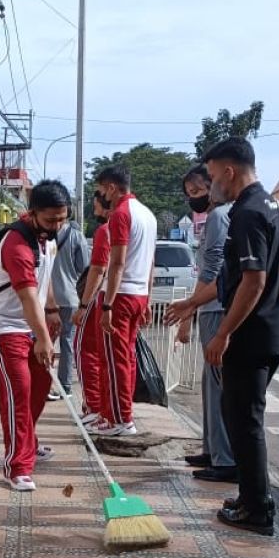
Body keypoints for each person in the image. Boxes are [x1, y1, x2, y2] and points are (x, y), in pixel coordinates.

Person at [201, 136, 279, 536]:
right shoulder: (271, 205)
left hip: (253, 333)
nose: (210, 187)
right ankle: (249, 496)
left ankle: (257, 509)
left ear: (228, 171)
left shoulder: (247, 213)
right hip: (273, 329)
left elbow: (253, 282)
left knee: (243, 420)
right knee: (239, 415)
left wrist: (222, 334)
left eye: (211, 177)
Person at [0, 180, 68, 492]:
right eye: (50, 220)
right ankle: (17, 465)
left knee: (40, 386)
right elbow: (29, 296)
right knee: (18, 390)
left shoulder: (49, 239)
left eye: (62, 218)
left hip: (34, 324)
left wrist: (53, 309)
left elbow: (45, 280)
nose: (57, 225)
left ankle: (28, 443)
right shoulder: (16, 245)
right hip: (5, 326)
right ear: (31, 214)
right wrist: (43, 337)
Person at [165, 165, 237, 484]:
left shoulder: (221, 217)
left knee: (219, 386)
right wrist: (191, 313)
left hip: (217, 308)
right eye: (189, 194)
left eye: (199, 191)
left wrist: (191, 307)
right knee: (210, 386)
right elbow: (204, 272)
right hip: (208, 307)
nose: (194, 199)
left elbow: (215, 271)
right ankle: (212, 450)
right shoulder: (212, 219)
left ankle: (225, 459)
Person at [93, 164, 158, 437]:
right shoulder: (148, 214)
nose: (101, 196)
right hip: (139, 293)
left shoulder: (121, 214)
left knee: (114, 359)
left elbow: (116, 263)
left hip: (121, 295)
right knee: (125, 357)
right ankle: (117, 415)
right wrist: (149, 299)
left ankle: (121, 418)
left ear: (111, 188)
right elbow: (151, 262)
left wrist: (107, 304)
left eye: (101, 190)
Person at [72, 192, 111, 424]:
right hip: (123, 298)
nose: (93, 206)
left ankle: (95, 407)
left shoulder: (105, 231)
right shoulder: (139, 225)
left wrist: (84, 305)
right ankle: (105, 410)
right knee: (108, 357)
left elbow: (98, 269)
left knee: (85, 350)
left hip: (101, 297)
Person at [48, 213, 89, 402]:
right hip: (70, 297)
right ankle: (65, 386)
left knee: (45, 340)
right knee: (66, 342)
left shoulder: (43, 234)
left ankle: (43, 383)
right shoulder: (76, 236)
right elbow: (85, 268)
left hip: (46, 298)